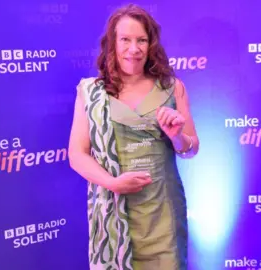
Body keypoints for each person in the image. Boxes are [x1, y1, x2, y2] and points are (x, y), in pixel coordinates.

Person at [68, 3, 199, 270]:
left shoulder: (173, 88)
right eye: (125, 40)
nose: (133, 48)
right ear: (112, 44)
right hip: (115, 215)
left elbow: (191, 148)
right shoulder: (91, 92)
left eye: (141, 40)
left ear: (151, 44)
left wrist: (176, 137)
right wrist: (111, 182)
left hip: (163, 215)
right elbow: (76, 154)